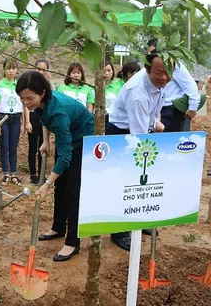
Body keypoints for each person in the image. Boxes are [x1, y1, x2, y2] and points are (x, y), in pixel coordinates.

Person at [16, 71, 94, 262]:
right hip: (65, 135)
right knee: (61, 186)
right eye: (22, 99)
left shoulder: (58, 112)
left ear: (42, 93)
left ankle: (73, 242)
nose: (26, 103)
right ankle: (58, 227)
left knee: (72, 189)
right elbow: (44, 117)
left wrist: (47, 183)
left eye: (30, 98)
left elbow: (66, 155)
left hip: (83, 139)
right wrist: (46, 141)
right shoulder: (42, 103)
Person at [107, 52, 171, 251]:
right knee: (125, 184)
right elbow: (139, 137)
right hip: (122, 134)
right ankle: (119, 231)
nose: (164, 77)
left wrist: (155, 123)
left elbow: (153, 113)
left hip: (140, 128)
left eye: (168, 73)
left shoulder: (159, 84)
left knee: (140, 180)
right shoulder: (137, 94)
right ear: (147, 69)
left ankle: (138, 220)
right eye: (159, 73)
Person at [148, 38, 201, 132]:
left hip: (174, 111)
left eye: (153, 52)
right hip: (161, 111)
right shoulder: (153, 67)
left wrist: (192, 107)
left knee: (176, 143)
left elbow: (190, 85)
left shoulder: (174, 65)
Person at [0, 59, 25, 186]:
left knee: (13, 147)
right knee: (4, 147)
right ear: (4, 69)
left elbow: (24, 105)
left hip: (16, 118)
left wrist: (24, 122)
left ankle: (14, 173)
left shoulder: (20, 86)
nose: (11, 71)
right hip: (3, 118)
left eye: (13, 68)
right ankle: (5, 173)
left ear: (17, 70)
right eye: (8, 68)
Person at [24, 59, 52, 185]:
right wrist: (27, 121)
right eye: (38, 69)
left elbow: (52, 100)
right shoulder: (30, 83)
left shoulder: (48, 86)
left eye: (44, 69)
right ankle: (33, 174)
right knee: (33, 146)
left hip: (44, 117)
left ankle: (42, 173)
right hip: (33, 116)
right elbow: (25, 103)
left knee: (43, 144)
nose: (41, 71)